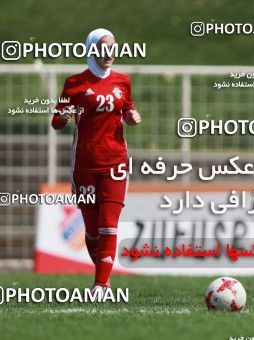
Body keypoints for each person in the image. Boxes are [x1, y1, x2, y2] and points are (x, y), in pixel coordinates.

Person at [51, 28, 141, 296]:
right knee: (91, 230)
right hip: (85, 164)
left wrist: (132, 115)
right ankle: (103, 275)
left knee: (108, 224)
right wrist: (63, 118)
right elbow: (56, 121)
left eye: (113, 48)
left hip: (115, 163)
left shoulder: (123, 81)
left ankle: (101, 285)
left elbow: (127, 108)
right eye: (103, 48)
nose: (109, 53)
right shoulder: (74, 83)